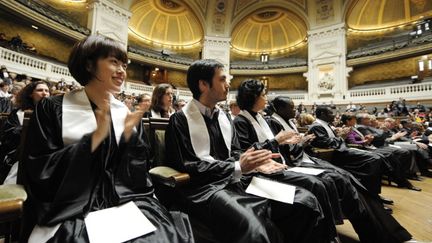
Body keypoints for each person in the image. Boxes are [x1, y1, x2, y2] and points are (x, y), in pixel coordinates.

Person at [20, 35, 192, 243]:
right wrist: (92, 141)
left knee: (161, 235)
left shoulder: (125, 114)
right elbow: (40, 169)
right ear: (89, 65)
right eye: (114, 62)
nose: (122, 71)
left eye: (124, 65)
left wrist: (130, 142)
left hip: (124, 200)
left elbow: (137, 176)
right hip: (72, 208)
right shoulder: (51, 108)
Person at [165, 59, 326, 243]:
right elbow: (189, 167)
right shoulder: (180, 120)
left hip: (237, 180)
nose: (228, 84)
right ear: (203, 84)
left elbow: (235, 153)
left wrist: (255, 162)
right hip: (205, 190)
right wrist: (237, 166)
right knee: (253, 227)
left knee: (305, 201)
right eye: (222, 79)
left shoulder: (224, 117)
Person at [267, 96, 412, 242]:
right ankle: (375, 229)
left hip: (307, 158)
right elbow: (282, 150)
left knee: (348, 177)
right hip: (296, 163)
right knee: (340, 178)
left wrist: (303, 142)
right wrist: (302, 143)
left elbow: (291, 146)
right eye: (291, 107)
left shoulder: (288, 121)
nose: (294, 110)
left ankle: (381, 219)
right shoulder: (273, 122)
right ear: (280, 109)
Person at [0, 81, 50, 184]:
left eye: (47, 91)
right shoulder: (19, 113)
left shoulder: (53, 114)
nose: (45, 93)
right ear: (31, 94)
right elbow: (8, 135)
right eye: (40, 90)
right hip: (19, 156)